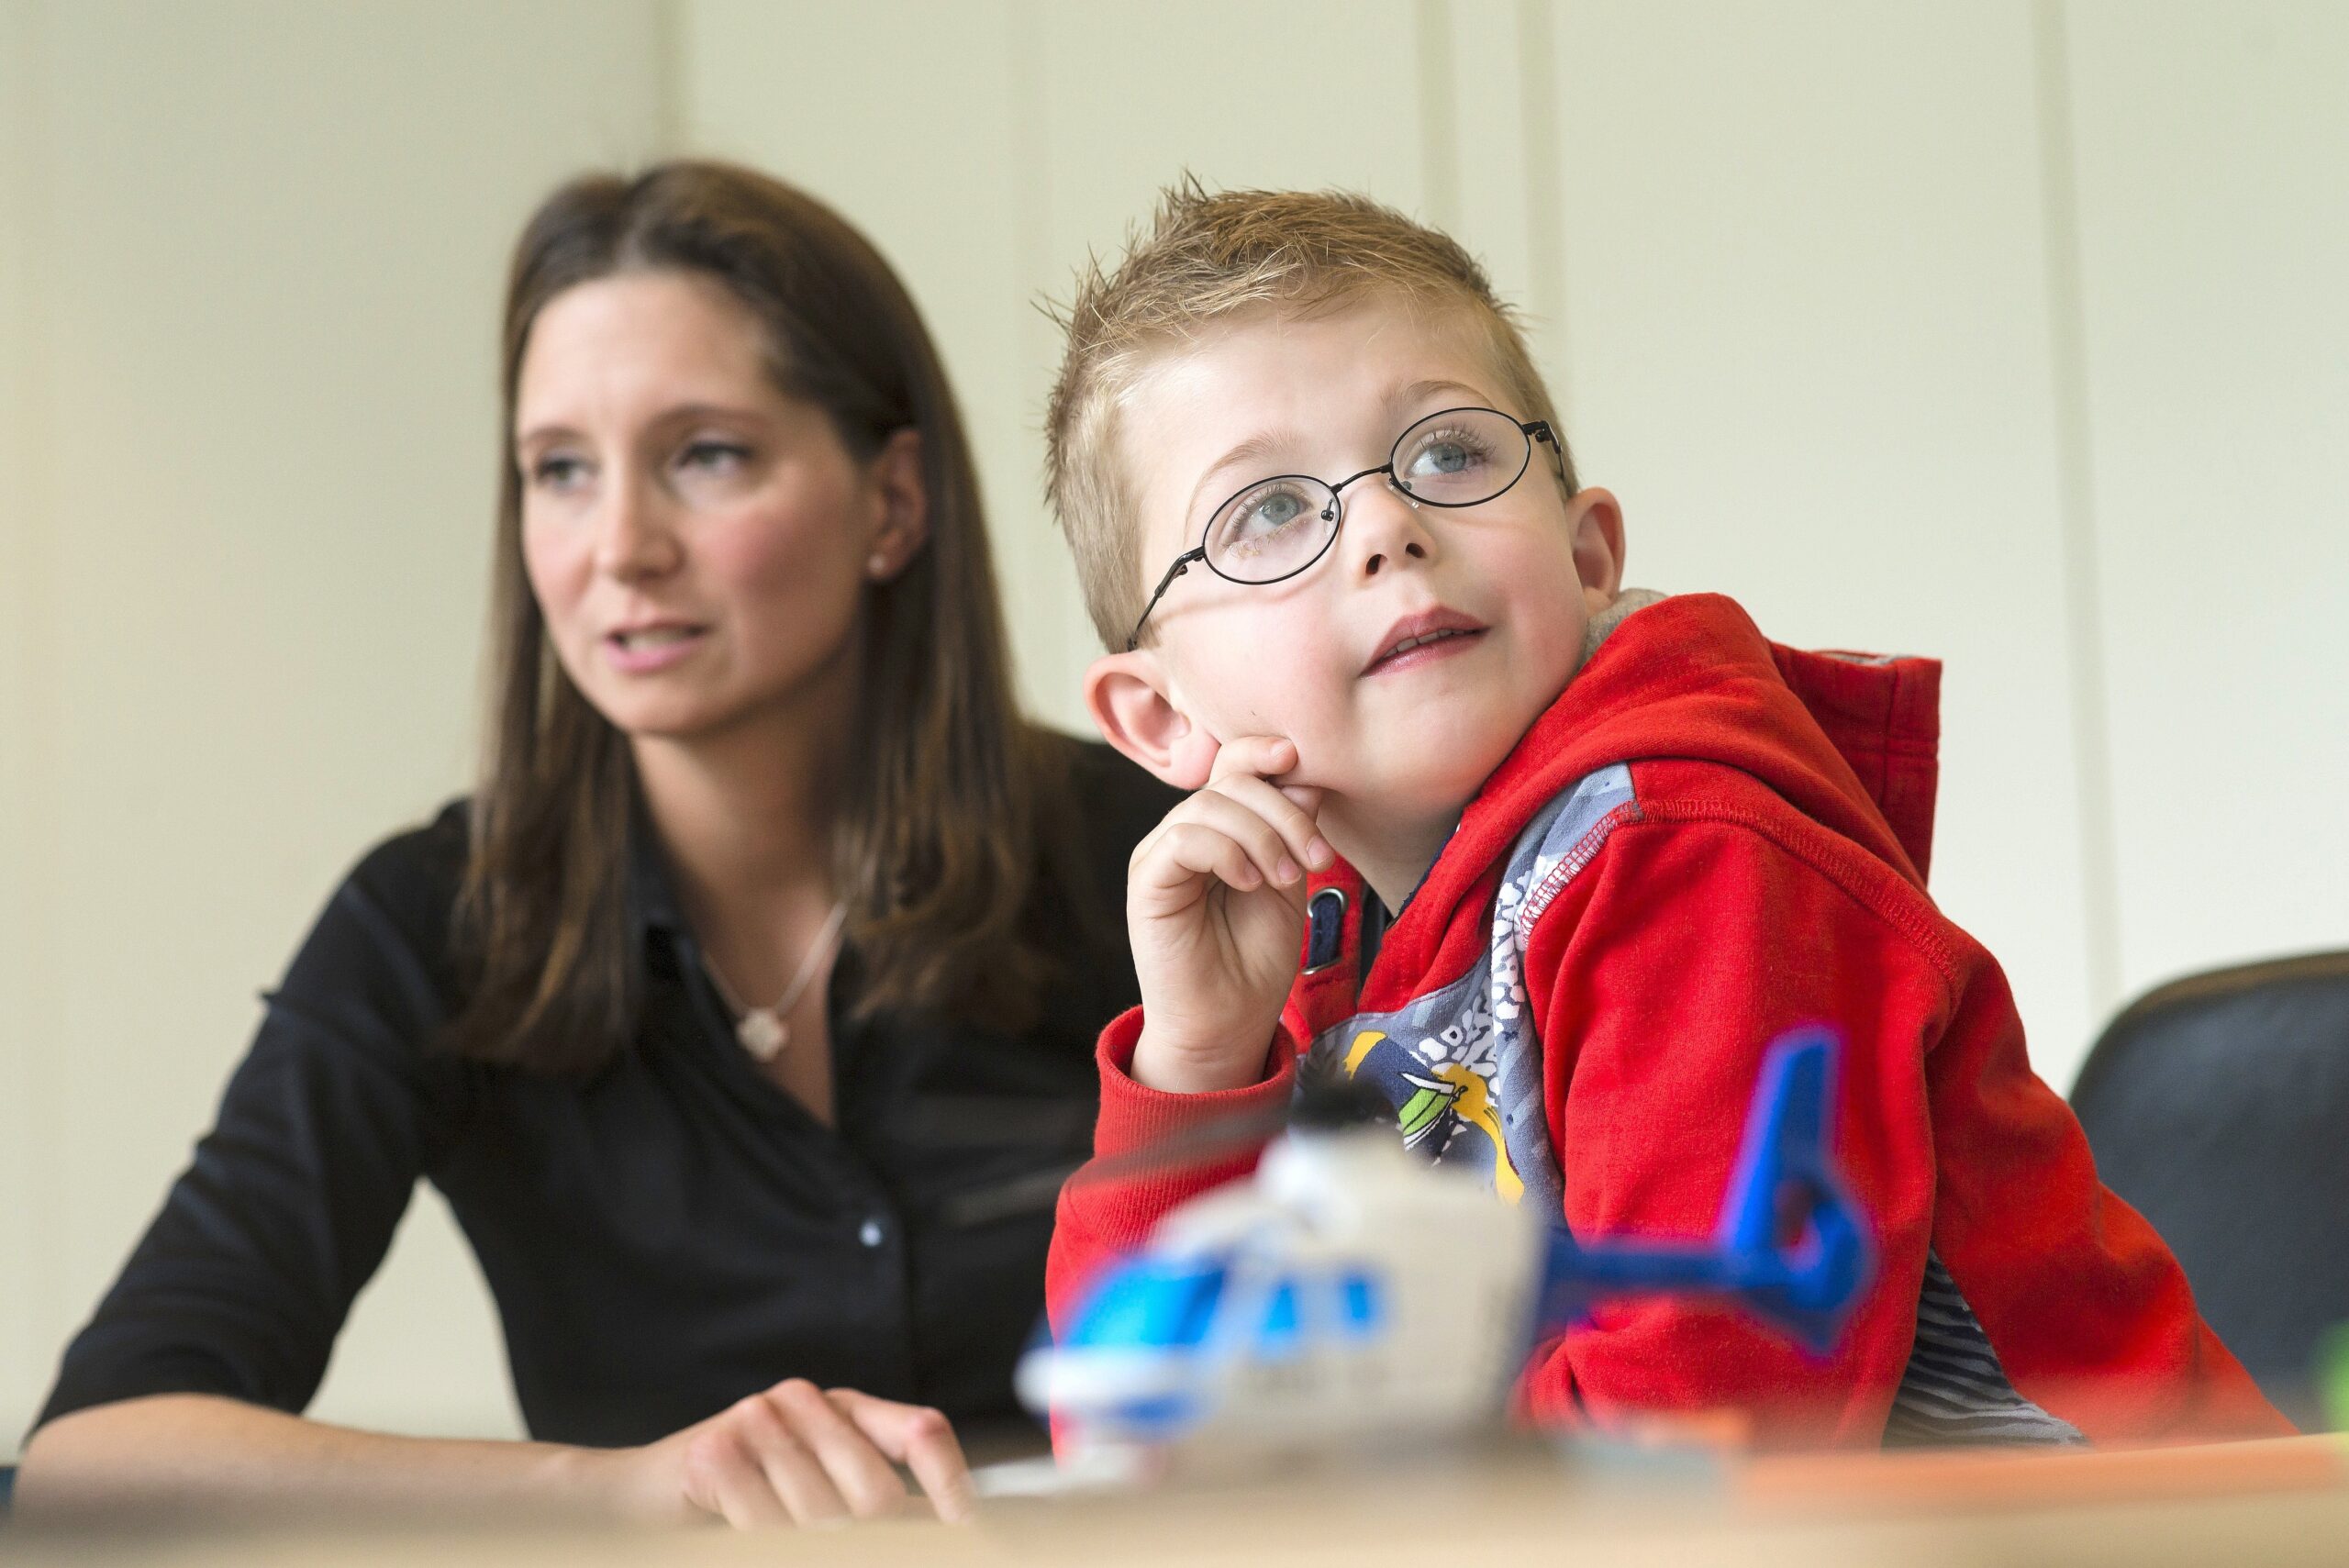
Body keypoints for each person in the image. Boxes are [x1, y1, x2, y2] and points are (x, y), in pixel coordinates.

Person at [1035, 181, 2290, 1447]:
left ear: (1586, 558)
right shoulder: (1321, 941)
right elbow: (1135, 1422)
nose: (1387, 527)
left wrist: (1320, 1493)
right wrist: (1197, 1064)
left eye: (1449, 453)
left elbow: (1710, 1419)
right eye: (1268, 511)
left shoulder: (1682, 843)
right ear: (1159, 721)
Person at [17, 161, 1175, 1527]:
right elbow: (87, 1466)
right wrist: (625, 1486)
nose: (619, 545)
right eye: (559, 470)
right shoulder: (439, 921)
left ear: (893, 503)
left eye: (705, 455)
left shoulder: (1142, 854)